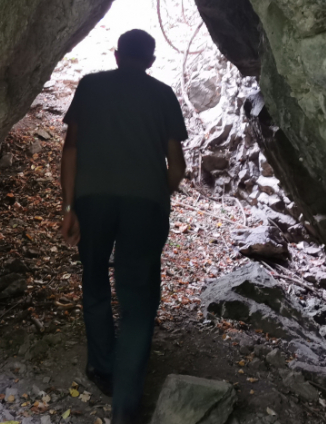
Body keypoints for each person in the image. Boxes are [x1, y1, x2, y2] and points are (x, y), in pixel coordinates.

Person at [59, 29, 188, 424]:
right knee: (137, 299)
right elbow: (177, 165)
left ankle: (103, 368)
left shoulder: (90, 85)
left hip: (92, 201)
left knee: (94, 278)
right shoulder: (164, 95)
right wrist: (156, 194)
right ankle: (125, 406)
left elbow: (71, 148)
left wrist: (68, 206)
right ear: (150, 61)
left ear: (117, 56)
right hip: (144, 205)